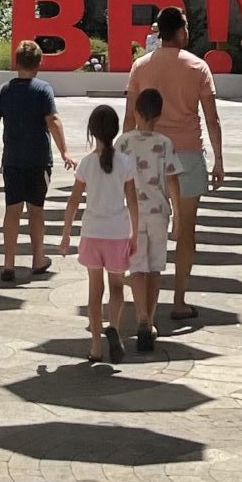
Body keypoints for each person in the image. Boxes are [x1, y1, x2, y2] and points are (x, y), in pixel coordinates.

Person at [123, 4, 222, 331]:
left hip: (145, 156)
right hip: (188, 155)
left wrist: (123, 158)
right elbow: (212, 118)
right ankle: (179, 300)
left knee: (144, 229)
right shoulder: (198, 67)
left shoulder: (140, 66)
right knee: (186, 231)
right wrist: (219, 160)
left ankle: (144, 309)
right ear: (180, 31)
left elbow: (129, 117)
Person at [0, 40, 73, 283]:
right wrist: (64, 151)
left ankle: (8, 263)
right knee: (36, 210)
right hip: (38, 159)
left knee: (12, 209)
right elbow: (53, 121)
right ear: (39, 63)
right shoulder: (43, 90)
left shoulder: (5, 90)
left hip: (12, 159)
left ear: (16, 63)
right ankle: (38, 259)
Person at [59, 103, 141, 364]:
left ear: (91, 131)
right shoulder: (125, 163)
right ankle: (113, 327)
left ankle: (95, 346)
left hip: (92, 232)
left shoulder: (86, 164)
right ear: (115, 131)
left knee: (95, 291)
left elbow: (73, 202)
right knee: (117, 287)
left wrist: (66, 233)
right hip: (118, 232)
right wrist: (135, 234)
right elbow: (133, 201)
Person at [117, 84, 182, 351]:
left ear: (135, 112)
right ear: (159, 115)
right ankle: (150, 319)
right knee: (154, 268)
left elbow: (115, 178)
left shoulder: (123, 143)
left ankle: (141, 315)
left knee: (136, 268)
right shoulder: (164, 144)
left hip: (130, 215)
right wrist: (178, 216)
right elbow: (173, 181)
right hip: (158, 213)